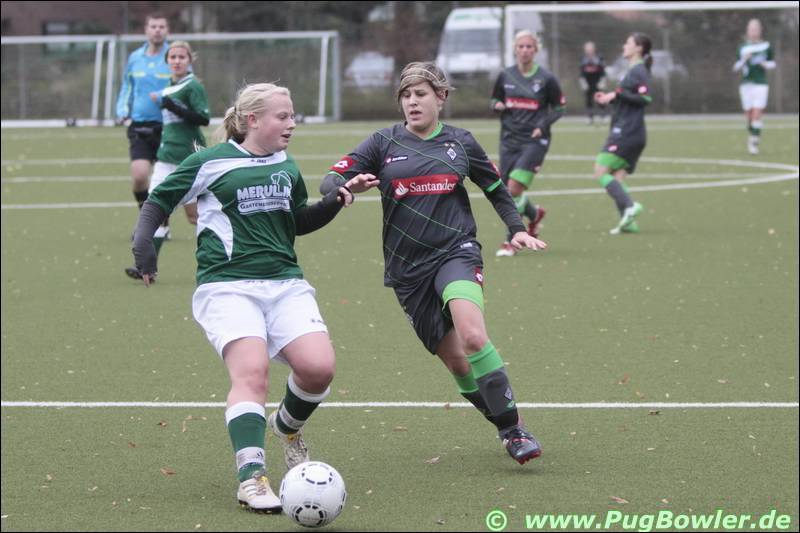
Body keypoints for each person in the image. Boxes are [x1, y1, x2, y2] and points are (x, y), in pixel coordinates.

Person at [130, 83, 374, 512]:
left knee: (318, 369)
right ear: (252, 120)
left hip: (285, 284)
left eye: (292, 115)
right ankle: (252, 478)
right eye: (283, 116)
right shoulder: (209, 161)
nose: (291, 124)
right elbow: (158, 201)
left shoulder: (286, 164)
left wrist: (336, 200)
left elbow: (297, 222)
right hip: (227, 286)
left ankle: (287, 427)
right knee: (252, 373)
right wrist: (143, 244)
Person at [321, 62, 547, 465]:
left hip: (455, 251)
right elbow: (329, 179)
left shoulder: (461, 142)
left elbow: (496, 189)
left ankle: (514, 430)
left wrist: (516, 228)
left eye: (421, 94)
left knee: (473, 336)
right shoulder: (382, 142)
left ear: (440, 97)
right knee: (458, 363)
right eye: (406, 95)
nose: (412, 102)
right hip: (407, 269)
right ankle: (504, 424)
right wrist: (344, 187)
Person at [125, 40, 210, 280]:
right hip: (165, 158)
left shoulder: (192, 86)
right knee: (158, 211)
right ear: (167, 61)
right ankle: (146, 268)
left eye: (182, 57)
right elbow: (172, 123)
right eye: (173, 57)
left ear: (189, 61)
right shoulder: (169, 86)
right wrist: (153, 131)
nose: (177, 61)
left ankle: (221, 260)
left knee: (195, 217)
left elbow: (202, 119)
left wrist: (171, 105)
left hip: (188, 159)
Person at [490, 31, 565, 257]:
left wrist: (543, 125)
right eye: (521, 46)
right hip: (509, 139)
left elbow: (559, 108)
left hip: (534, 140)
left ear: (536, 50)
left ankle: (511, 242)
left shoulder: (546, 78)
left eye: (529, 46)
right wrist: (497, 105)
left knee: (513, 188)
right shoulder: (506, 75)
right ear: (515, 49)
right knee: (508, 190)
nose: (524, 50)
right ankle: (534, 214)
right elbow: (494, 99)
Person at [115, 13, 172, 235]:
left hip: (169, 128)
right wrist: (122, 110)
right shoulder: (135, 57)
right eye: (153, 26)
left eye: (161, 26)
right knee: (140, 177)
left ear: (167, 30)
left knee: (164, 182)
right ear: (146, 30)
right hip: (139, 126)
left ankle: (160, 226)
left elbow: (186, 86)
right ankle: (150, 221)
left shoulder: (174, 56)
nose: (157, 30)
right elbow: (127, 86)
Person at [593, 33, 652, 235]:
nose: (624, 46)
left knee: (600, 170)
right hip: (632, 132)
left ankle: (629, 206)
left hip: (627, 131)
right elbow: (627, 99)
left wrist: (617, 94)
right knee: (616, 179)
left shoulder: (639, 70)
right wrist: (609, 98)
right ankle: (628, 223)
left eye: (628, 43)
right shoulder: (632, 71)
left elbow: (645, 98)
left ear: (639, 48)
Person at [733, 19, 775, 155]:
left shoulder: (766, 46)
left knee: (757, 113)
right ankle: (753, 135)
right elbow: (736, 67)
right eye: (751, 29)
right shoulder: (742, 48)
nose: (753, 32)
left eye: (756, 29)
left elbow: (773, 64)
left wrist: (764, 64)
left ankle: (754, 141)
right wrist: (744, 59)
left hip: (761, 84)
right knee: (749, 116)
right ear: (747, 31)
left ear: (760, 31)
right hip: (746, 85)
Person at [579, 41, 607, 125]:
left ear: (594, 49)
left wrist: (602, 80)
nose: (589, 50)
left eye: (590, 48)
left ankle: (602, 116)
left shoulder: (599, 57)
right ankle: (589, 117)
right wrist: (582, 81)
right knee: (588, 100)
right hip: (588, 82)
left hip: (597, 81)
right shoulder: (583, 58)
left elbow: (603, 70)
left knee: (600, 98)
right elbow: (581, 71)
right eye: (587, 49)